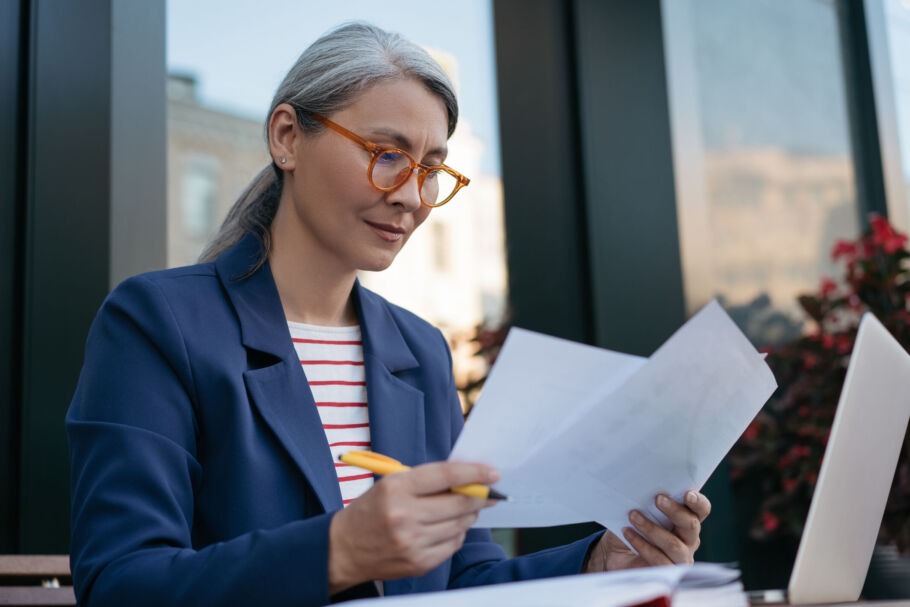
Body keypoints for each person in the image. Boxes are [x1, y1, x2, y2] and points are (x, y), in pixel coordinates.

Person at [67, 22, 711, 607]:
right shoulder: (158, 322)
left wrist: (600, 564)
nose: (410, 196)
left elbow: (461, 580)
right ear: (287, 137)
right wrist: (339, 551)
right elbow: (121, 584)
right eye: (386, 153)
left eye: (431, 168)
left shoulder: (419, 350)